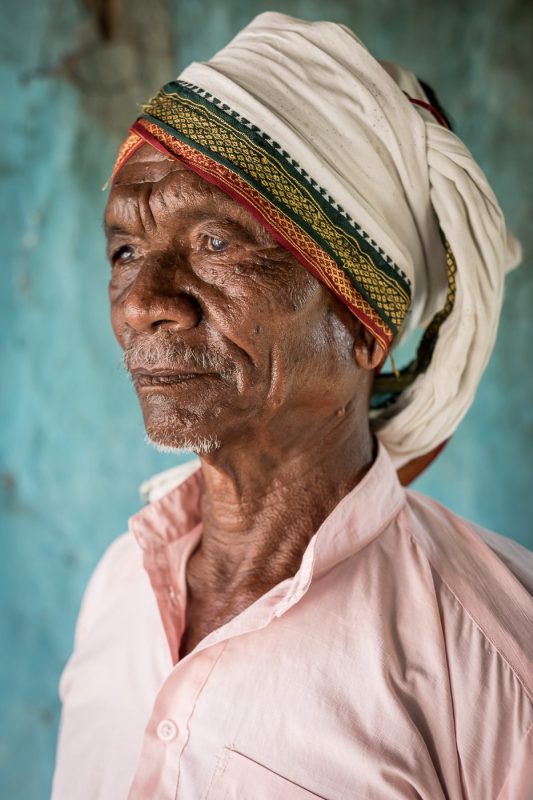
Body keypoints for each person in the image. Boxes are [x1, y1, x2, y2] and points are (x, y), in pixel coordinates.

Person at [52, 12, 532, 800]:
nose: (142, 304)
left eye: (216, 244)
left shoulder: (492, 658)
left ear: (362, 325)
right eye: (125, 252)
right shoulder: (119, 590)